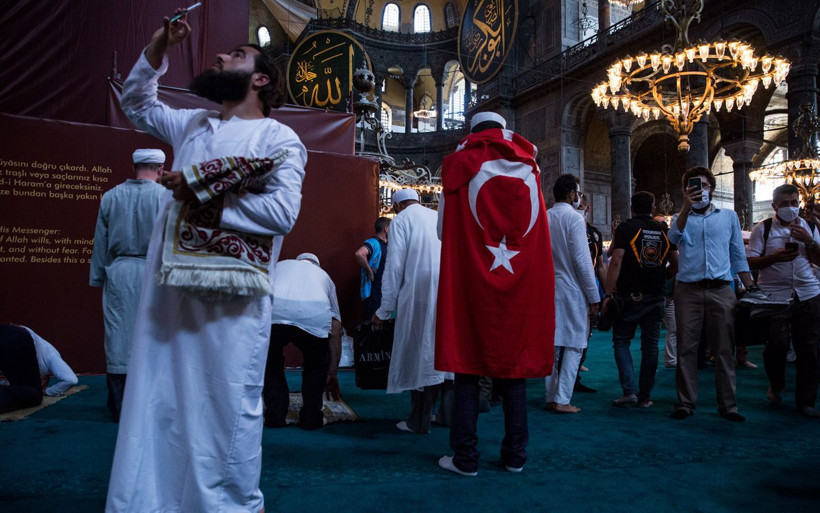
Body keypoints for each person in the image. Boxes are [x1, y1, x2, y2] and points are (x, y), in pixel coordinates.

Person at [106, 10, 306, 513]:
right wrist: (159, 46)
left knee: (223, 403)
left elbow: (281, 213)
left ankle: (225, 505)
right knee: (158, 398)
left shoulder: (279, 139)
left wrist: (199, 190)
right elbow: (136, 103)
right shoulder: (194, 125)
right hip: (168, 290)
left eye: (236, 55)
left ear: (260, 79)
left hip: (231, 301)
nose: (219, 56)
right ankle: (150, 501)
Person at [435, 111, 555, 476]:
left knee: (468, 367)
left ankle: (465, 458)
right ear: (504, 131)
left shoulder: (460, 165)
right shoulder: (530, 168)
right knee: (514, 371)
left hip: (473, 280)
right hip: (518, 282)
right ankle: (515, 456)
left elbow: (442, 230)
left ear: (472, 131)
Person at [667, 166, 757, 422]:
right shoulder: (679, 218)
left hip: (721, 288)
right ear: (685, 190)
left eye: (704, 185)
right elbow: (672, 240)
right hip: (688, 290)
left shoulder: (728, 217)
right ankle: (685, 403)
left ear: (712, 189)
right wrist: (686, 207)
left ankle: (728, 406)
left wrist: (750, 286)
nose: (699, 190)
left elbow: (738, 254)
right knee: (686, 348)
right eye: (693, 186)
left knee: (724, 349)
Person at [89, 148, 165, 422]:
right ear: (160, 169)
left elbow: (101, 242)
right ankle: (149, 405)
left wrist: (98, 276)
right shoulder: (164, 197)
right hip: (154, 272)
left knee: (118, 338)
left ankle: (119, 406)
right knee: (154, 335)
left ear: (134, 167)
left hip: (118, 273)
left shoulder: (111, 196)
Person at [374, 188, 448, 434]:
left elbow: (394, 268)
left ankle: (419, 421)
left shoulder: (401, 221)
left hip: (419, 296)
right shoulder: (436, 216)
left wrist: (384, 310)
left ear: (397, 206)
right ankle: (447, 415)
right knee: (445, 355)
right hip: (448, 292)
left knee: (421, 355)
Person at [747, 183, 820, 417]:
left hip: (807, 293)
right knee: (776, 346)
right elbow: (750, 262)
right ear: (775, 205)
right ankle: (776, 384)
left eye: (794, 203)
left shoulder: (809, 227)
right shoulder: (763, 228)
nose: (791, 207)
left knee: (808, 349)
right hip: (774, 296)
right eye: (785, 204)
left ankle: (806, 401)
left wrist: (809, 241)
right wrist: (774, 258)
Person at [603, 191, 677, 408]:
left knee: (621, 341)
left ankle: (629, 391)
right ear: (653, 209)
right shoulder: (664, 230)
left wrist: (607, 294)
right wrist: (660, 278)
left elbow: (616, 260)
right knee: (651, 347)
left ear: (631, 208)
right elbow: (676, 263)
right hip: (656, 297)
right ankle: (645, 397)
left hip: (629, 296)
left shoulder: (626, 228)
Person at [264, 253, 342, 429]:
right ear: (317, 265)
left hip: (275, 312)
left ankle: (275, 416)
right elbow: (336, 327)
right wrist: (332, 373)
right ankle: (311, 418)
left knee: (270, 362)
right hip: (313, 314)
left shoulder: (280, 265)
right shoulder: (324, 276)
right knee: (315, 364)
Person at [544, 174, 600, 413]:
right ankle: (563, 399)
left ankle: (550, 397)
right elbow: (582, 262)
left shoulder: (544, 216)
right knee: (575, 344)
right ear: (570, 194)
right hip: (573, 289)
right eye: (578, 193)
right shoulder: (575, 218)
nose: (579, 197)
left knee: (553, 345)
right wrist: (594, 297)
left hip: (549, 288)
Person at [0, 324, 78, 413]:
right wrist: (48, 391)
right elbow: (71, 380)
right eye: (42, 383)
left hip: (10, 333)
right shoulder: (51, 355)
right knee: (34, 395)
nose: (42, 384)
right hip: (16, 335)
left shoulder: (19, 370)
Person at [575, 192, 606, 392]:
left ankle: (577, 368)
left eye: (581, 206)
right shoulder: (567, 226)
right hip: (570, 285)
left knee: (587, 331)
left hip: (591, 284)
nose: (578, 209)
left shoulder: (594, 234)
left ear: (587, 208)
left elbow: (600, 265)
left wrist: (607, 292)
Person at [355, 217, 390, 320]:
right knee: (372, 319)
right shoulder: (373, 242)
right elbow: (359, 254)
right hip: (374, 289)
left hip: (384, 288)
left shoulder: (387, 244)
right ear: (386, 229)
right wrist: (369, 272)